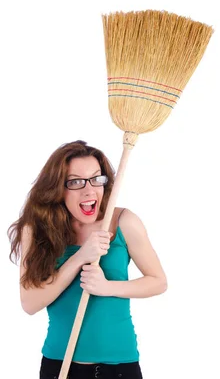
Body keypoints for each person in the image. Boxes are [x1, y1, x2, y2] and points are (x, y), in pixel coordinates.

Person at [8, 140, 167, 379]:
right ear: (57, 188)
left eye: (96, 179)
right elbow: (30, 303)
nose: (89, 190)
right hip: (60, 366)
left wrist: (106, 287)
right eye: (75, 182)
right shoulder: (37, 229)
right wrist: (80, 258)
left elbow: (158, 281)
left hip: (120, 368)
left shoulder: (123, 222)